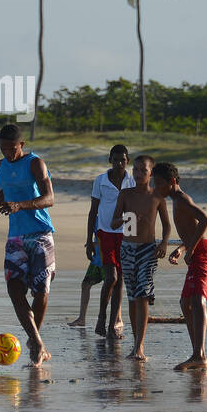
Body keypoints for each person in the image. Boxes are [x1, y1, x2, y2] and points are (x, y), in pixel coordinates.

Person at [0, 124, 56, 365]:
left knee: (41, 291)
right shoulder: (0, 166)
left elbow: (50, 198)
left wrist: (21, 205)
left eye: (12, 149)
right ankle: (38, 343)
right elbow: (6, 192)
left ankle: (34, 340)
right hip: (16, 238)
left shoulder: (35, 163)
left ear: (22, 145)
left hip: (40, 234)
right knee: (14, 289)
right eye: (3, 149)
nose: (8, 154)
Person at [153, 162, 207, 371]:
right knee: (185, 302)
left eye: (159, 184)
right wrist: (182, 248)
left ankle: (198, 355)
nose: (156, 188)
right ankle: (199, 354)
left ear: (172, 182)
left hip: (204, 252)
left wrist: (191, 249)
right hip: (195, 250)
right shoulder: (174, 200)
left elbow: (205, 220)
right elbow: (191, 229)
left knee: (198, 299)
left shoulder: (182, 199)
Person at [110, 155, 171, 361]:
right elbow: (113, 222)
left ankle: (140, 346)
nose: (138, 174)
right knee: (132, 297)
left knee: (143, 293)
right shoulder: (125, 194)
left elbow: (167, 225)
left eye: (143, 171)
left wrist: (163, 243)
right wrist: (128, 218)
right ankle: (136, 344)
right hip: (127, 248)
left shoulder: (157, 196)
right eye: (135, 170)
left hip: (148, 249)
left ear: (150, 173)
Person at [76, 144, 133, 338]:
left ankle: (111, 326)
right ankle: (101, 318)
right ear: (110, 160)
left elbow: (134, 211)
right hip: (104, 233)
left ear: (127, 161)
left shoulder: (132, 182)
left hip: (124, 235)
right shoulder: (100, 181)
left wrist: (134, 237)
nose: (119, 163)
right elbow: (93, 212)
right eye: (115, 159)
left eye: (122, 160)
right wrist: (89, 240)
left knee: (120, 282)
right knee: (111, 277)